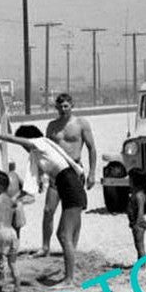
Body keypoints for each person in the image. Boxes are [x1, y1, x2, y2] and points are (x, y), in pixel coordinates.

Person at [0, 124, 87, 285]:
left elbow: (12, 139)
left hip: (70, 187)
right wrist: (17, 197)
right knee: (64, 235)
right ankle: (69, 275)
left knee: (64, 235)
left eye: (24, 145)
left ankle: (69, 279)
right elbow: (34, 183)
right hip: (69, 186)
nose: (25, 149)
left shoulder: (39, 142)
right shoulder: (44, 149)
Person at [38, 93, 97, 257]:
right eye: (60, 107)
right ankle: (45, 247)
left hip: (74, 170)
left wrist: (92, 173)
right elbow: (44, 151)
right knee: (48, 209)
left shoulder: (81, 123)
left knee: (73, 210)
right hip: (56, 172)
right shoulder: (52, 126)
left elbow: (91, 148)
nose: (63, 110)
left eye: (66, 106)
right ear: (56, 108)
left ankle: (72, 246)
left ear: (72, 106)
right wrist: (41, 175)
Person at [127, 168, 146, 259]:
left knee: (140, 245)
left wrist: (138, 222)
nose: (128, 181)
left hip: (138, 223)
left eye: (130, 180)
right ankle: (140, 261)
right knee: (137, 244)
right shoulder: (134, 193)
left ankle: (142, 263)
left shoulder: (139, 195)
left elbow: (140, 210)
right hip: (134, 222)